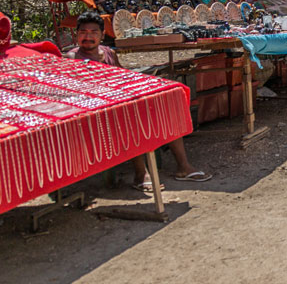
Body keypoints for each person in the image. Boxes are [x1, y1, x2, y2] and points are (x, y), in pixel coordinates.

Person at [64, 11, 212, 190]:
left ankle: (183, 167)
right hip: (94, 113)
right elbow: (74, 94)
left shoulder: (108, 53)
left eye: (93, 32)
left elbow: (124, 78)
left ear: (102, 35)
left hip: (119, 102)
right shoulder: (72, 59)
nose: (87, 37)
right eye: (83, 32)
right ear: (77, 35)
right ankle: (141, 174)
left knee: (165, 109)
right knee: (132, 117)